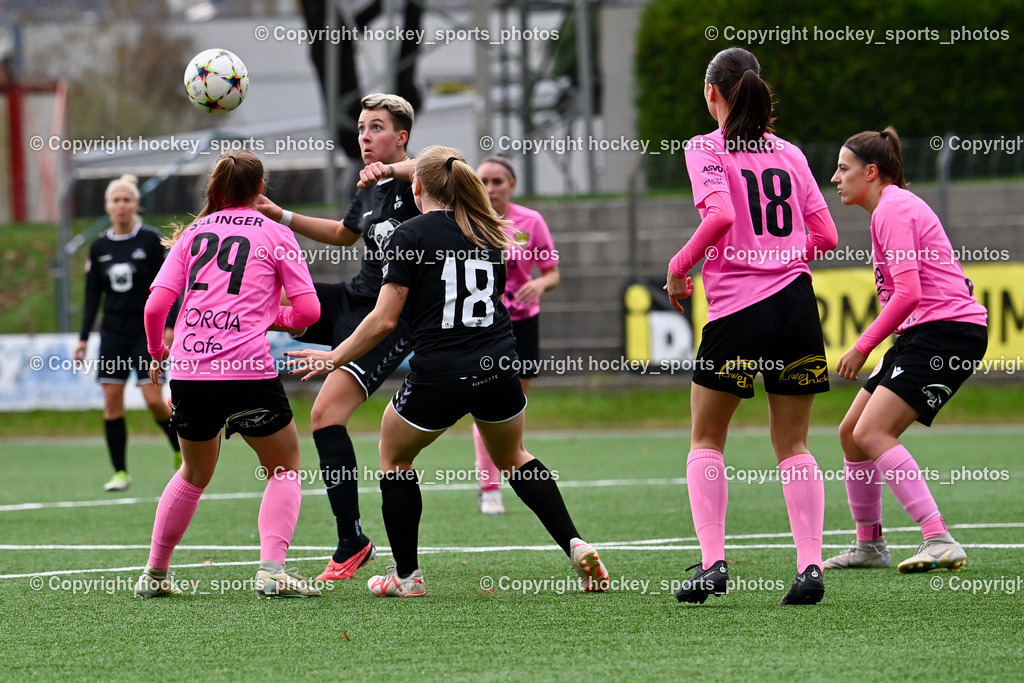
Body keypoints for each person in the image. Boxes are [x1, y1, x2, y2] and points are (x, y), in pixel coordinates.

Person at [288, 146, 610, 598]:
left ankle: (407, 577)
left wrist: (334, 356)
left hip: (441, 372)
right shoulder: (490, 231)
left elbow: (384, 320)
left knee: (394, 457)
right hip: (498, 365)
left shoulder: (409, 234)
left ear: (417, 186)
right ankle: (575, 544)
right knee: (515, 455)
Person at [665, 47, 839, 605]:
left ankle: (713, 564)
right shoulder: (789, 152)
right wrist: (781, 256)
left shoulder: (706, 147)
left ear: (711, 93)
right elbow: (827, 237)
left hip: (739, 311)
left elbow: (721, 215)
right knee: (794, 444)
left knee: (706, 439)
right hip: (796, 305)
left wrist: (679, 266)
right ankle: (810, 568)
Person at [134, 151, 322, 599]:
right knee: (283, 468)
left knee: (193, 474)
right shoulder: (276, 233)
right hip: (247, 371)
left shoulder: (193, 233)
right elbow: (309, 312)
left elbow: (155, 307)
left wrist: (158, 351)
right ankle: (272, 570)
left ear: (217, 188)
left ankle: (155, 575)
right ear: (261, 188)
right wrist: (270, 317)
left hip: (190, 371)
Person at [257, 93, 420, 582]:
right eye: (362, 128)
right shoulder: (368, 187)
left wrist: (393, 170)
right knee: (267, 301)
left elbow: (450, 167)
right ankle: (217, 379)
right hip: (355, 299)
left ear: (402, 137)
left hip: (392, 317)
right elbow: (344, 234)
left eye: (376, 128)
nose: (365, 137)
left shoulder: (421, 181)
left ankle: (352, 540)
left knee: (325, 415)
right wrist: (280, 214)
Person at [824, 127, 988, 573]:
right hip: (924, 333)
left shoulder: (892, 209)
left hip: (947, 334)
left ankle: (938, 537)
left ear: (871, 172)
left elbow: (909, 294)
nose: (835, 178)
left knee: (872, 433)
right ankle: (870, 546)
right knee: (851, 433)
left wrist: (862, 347)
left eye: (843, 168)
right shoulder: (891, 207)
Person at [76, 174, 181, 491]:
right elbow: (92, 296)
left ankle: (179, 449)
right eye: (116, 200)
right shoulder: (99, 247)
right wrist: (83, 338)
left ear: (137, 205)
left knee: (153, 400)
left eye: (127, 200)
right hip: (113, 333)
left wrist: (169, 325)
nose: (121, 205)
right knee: (112, 401)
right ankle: (120, 472)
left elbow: (171, 284)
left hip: (146, 333)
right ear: (107, 206)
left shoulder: (150, 240)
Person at [471, 155, 560, 514]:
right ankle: (489, 487)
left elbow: (552, 272)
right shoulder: (467, 220)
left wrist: (538, 284)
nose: (490, 188)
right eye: (484, 181)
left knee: (513, 405)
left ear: (512, 185)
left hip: (522, 322)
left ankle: (511, 473)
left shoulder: (530, 222)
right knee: (484, 402)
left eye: (497, 181)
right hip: (482, 323)